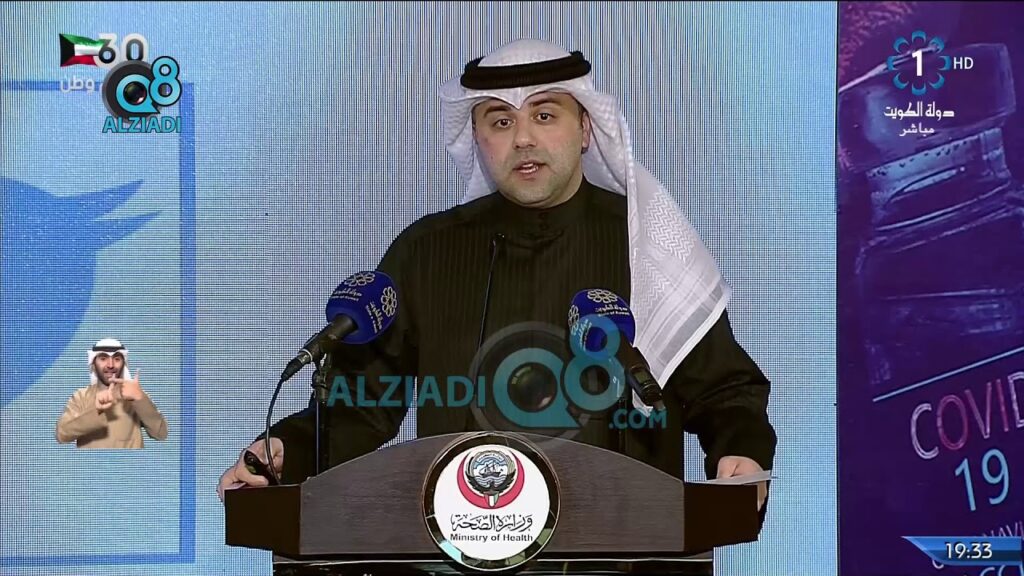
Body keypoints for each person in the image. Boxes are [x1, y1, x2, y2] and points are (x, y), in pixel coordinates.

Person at [219, 40, 776, 519]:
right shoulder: (427, 251)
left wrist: (741, 450)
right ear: (478, 138)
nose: (523, 139)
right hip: (458, 544)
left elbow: (723, 391)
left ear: (586, 128)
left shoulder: (647, 244)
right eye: (501, 122)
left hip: (625, 544)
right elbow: (363, 403)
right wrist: (288, 448)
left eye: (545, 115)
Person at [56, 337, 168, 448]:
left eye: (117, 359)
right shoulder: (81, 397)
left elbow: (161, 434)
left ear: (123, 364)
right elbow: (61, 435)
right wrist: (96, 410)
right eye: (103, 358)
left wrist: (141, 399)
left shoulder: (134, 395)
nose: (110, 365)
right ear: (93, 364)